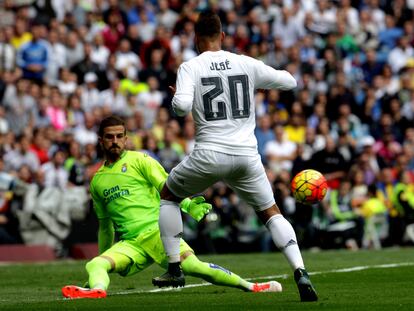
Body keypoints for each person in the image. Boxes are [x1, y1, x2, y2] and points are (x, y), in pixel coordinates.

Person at [153, 11, 318, 302]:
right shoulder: (245, 63)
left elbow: (180, 108)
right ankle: (301, 271)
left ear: (195, 38)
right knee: (270, 212)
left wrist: (179, 95)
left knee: (168, 195)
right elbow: (290, 82)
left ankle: (175, 268)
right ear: (223, 36)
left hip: (209, 154)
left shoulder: (190, 66)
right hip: (246, 156)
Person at [61, 115, 282, 299]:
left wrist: (187, 205)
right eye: (109, 137)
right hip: (131, 244)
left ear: (126, 138)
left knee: (194, 267)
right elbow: (105, 227)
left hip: (158, 233)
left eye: (120, 136)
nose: (115, 141)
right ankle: (97, 289)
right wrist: (104, 261)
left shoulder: (140, 160)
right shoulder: (97, 181)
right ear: (100, 140)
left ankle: (252, 287)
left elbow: (166, 187)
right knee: (94, 265)